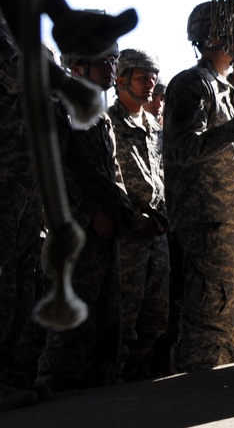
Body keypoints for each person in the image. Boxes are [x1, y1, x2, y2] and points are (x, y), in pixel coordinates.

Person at [163, 2, 234, 371]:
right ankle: (199, 383)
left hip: (231, 217)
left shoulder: (222, 87)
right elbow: (185, 146)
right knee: (212, 310)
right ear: (212, 36)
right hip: (207, 217)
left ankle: (222, 379)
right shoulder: (193, 84)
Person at [37, 44, 133, 392]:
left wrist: (123, 214)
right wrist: (91, 214)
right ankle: (53, 393)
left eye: (113, 62)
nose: (110, 69)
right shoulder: (60, 108)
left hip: (105, 234)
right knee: (72, 327)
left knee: (108, 324)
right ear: (77, 68)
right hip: (77, 233)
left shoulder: (99, 114)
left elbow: (109, 174)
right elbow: (54, 170)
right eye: (101, 63)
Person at [107, 49, 170, 381]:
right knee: (124, 320)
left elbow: (161, 176)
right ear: (122, 80)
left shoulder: (154, 127)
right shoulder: (107, 123)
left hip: (156, 236)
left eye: (154, 77)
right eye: (143, 77)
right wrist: (130, 215)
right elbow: (106, 178)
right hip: (128, 236)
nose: (150, 84)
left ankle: (141, 386)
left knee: (154, 319)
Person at [0, 15, 45, 410]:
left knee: (21, 279)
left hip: (24, 177)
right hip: (4, 173)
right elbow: (15, 77)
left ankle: (13, 377)